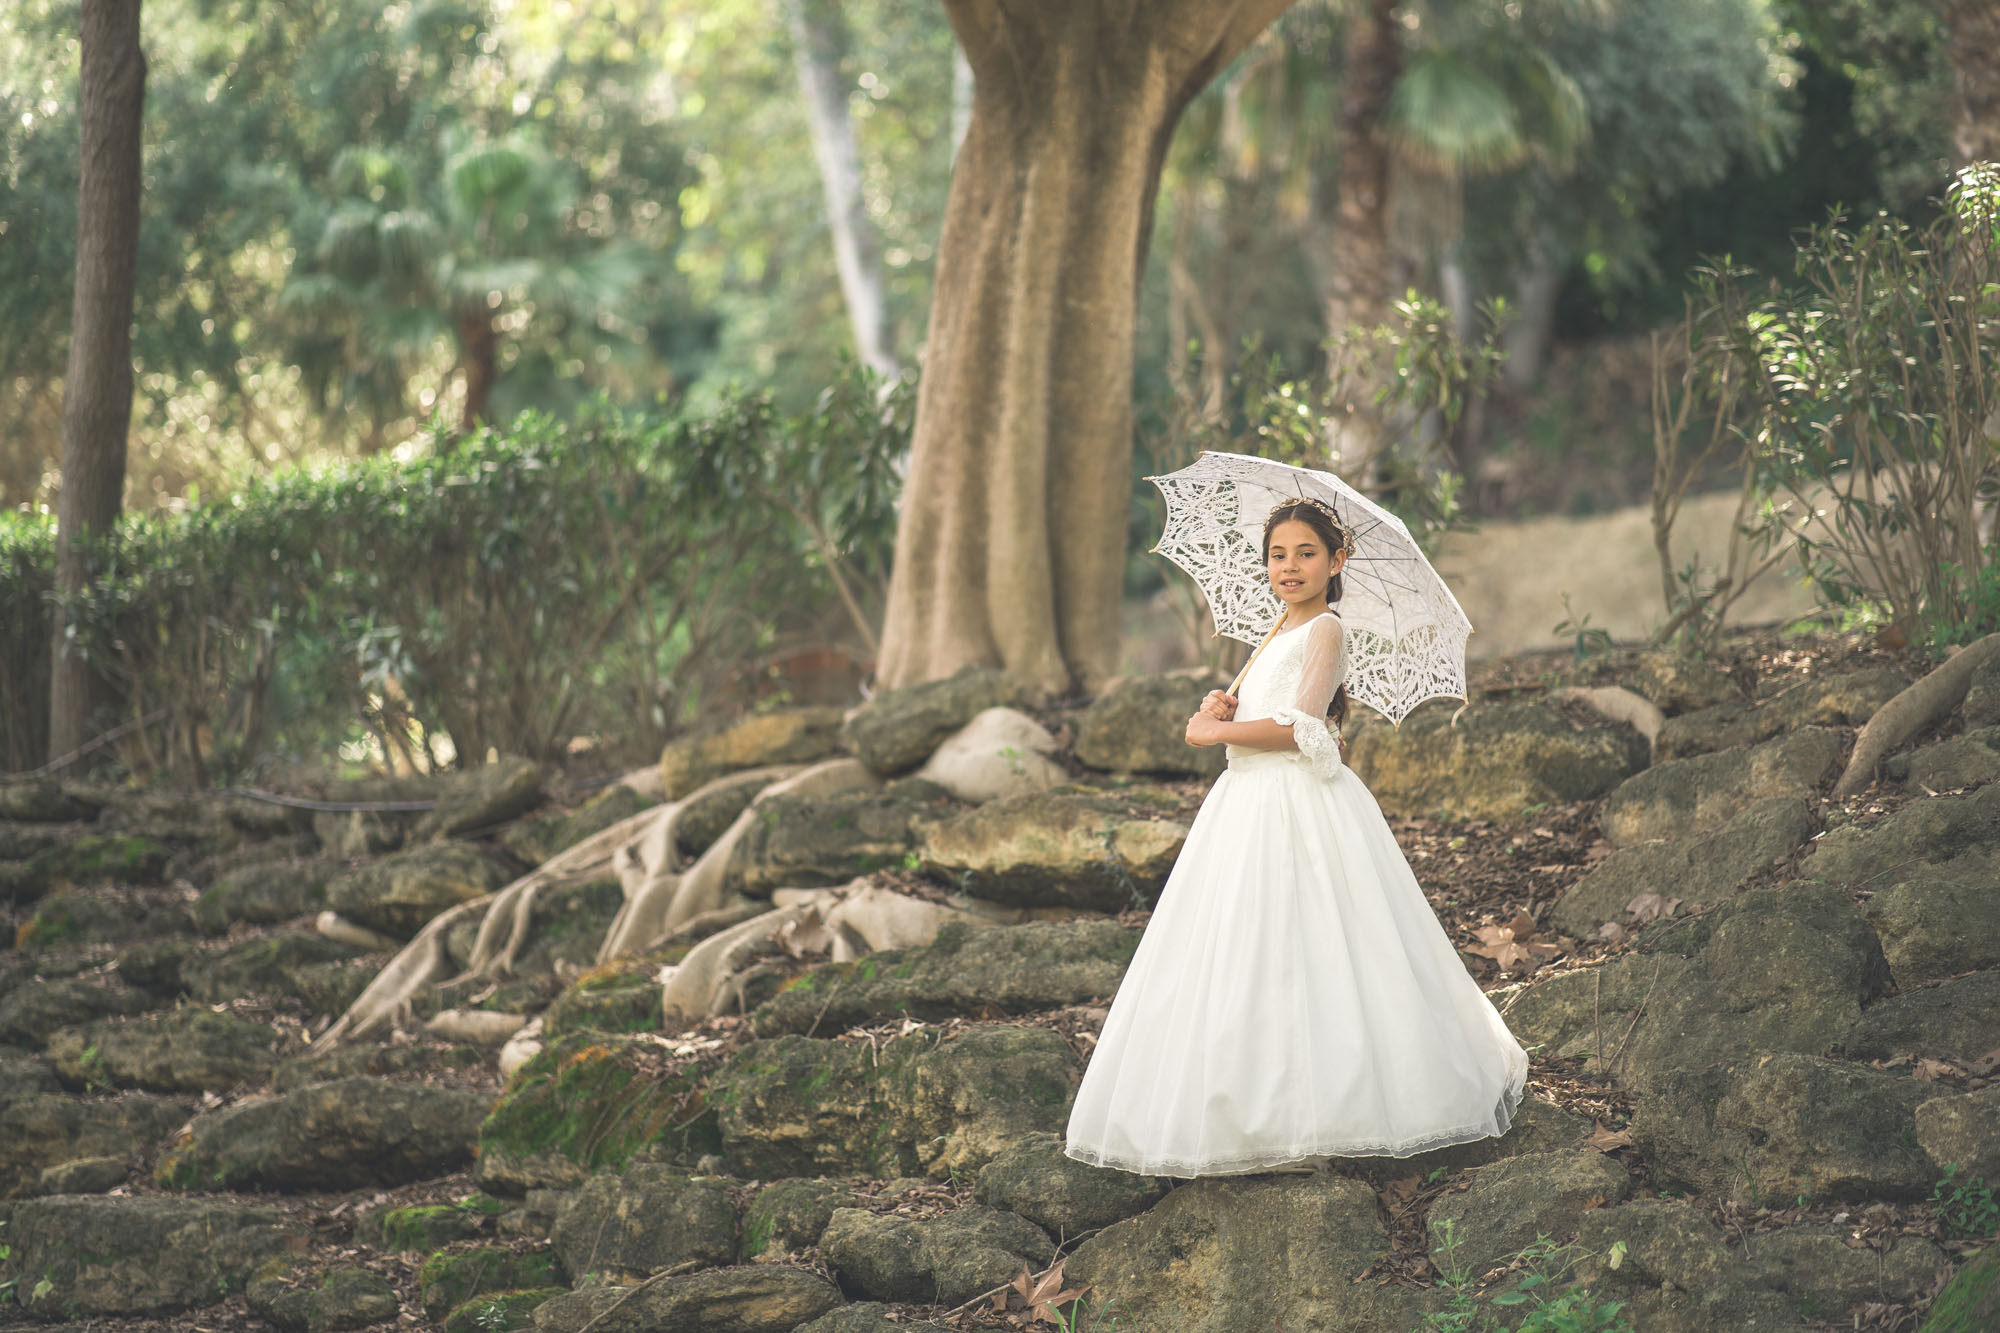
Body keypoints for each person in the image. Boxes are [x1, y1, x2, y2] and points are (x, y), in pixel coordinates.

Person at [1062, 497, 1530, 1177]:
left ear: (1336, 562)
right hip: (1244, 804)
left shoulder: (1327, 630)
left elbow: (1301, 724)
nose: (1289, 565)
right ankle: (1240, 1103)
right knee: (1241, 946)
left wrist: (1218, 731)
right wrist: (1220, 708)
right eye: (1278, 554)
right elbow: (1261, 712)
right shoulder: (1278, 629)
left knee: (1311, 945)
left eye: (1306, 553)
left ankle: (1321, 1109)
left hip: (1295, 801)